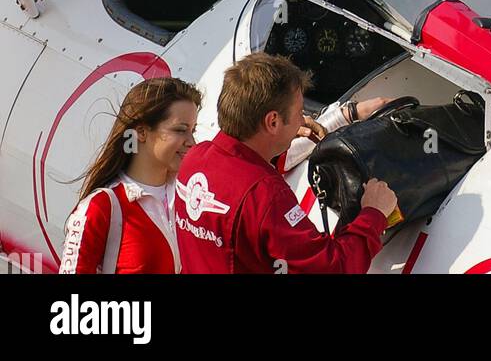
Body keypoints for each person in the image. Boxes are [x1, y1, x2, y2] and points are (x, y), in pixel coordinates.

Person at [175, 53, 396, 274]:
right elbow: (332, 268)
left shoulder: (194, 158)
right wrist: (374, 213)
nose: (303, 121)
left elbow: (239, 175)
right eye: (300, 112)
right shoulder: (266, 195)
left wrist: (341, 117)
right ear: (272, 121)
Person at [59, 77, 200, 274]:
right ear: (141, 132)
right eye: (180, 130)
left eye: (194, 130)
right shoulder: (100, 207)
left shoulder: (192, 200)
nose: (192, 141)